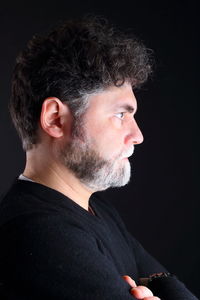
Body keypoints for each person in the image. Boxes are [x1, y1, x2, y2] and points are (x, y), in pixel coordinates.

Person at [0, 16, 197, 299]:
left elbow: (169, 283)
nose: (137, 135)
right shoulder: (39, 233)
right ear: (56, 119)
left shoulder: (97, 210)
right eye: (120, 114)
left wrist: (162, 284)